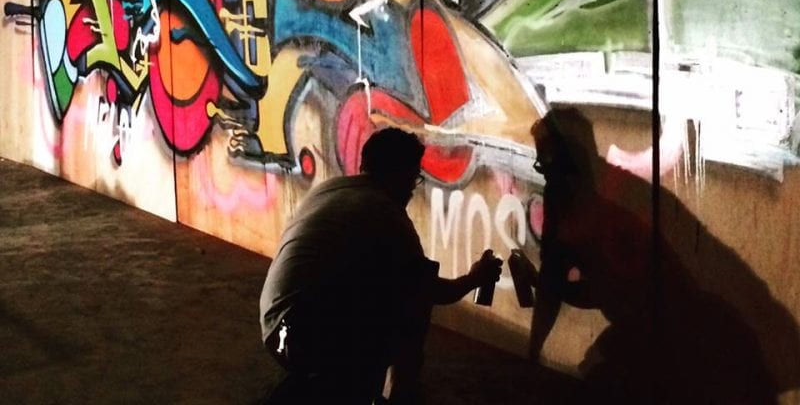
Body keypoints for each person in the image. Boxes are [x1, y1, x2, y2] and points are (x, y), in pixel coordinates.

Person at [520, 108, 783, 403]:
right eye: (542, 164)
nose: (546, 174)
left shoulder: (606, 203)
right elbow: (584, 287)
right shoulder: (579, 196)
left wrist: (547, 304)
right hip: (681, 336)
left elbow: (607, 291)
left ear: (574, 159)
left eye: (548, 161)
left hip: (688, 343)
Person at [259, 127, 502, 404]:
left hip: (276, 328)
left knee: (392, 285)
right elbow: (430, 291)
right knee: (410, 303)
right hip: (301, 339)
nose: (413, 188)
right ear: (400, 174)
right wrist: (474, 278)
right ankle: (390, 393)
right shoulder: (384, 211)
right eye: (414, 178)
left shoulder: (330, 189)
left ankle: (325, 383)